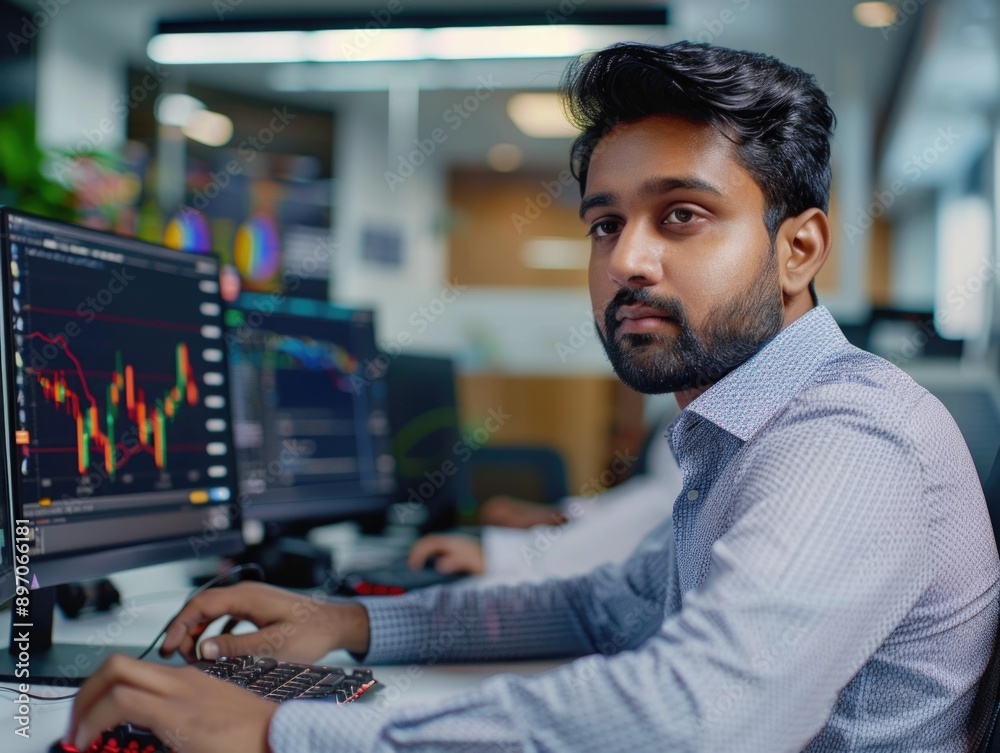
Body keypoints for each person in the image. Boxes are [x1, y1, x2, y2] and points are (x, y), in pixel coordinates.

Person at [65, 41, 1000, 752]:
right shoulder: (740, 429)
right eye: (605, 223)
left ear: (798, 249)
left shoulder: (847, 438)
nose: (626, 260)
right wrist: (350, 622)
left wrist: (281, 731)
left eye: (682, 215)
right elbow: (606, 608)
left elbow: (697, 717)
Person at [407, 407, 682, 581]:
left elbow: (668, 512)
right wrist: (558, 515)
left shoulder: (716, 409)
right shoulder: (678, 404)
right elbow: (649, 494)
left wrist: (501, 555)